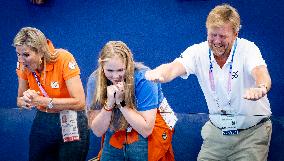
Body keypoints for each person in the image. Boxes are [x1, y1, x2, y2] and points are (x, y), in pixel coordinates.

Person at [145, 4, 272, 161]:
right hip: (217, 133)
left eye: (223, 36)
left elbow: (260, 72)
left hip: (251, 133)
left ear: (235, 34)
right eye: (213, 35)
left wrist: (261, 87)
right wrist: (160, 74)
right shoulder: (198, 52)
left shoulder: (248, 49)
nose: (217, 41)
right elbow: (173, 67)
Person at [87, 41, 177, 161]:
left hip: (147, 129)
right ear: (101, 66)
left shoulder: (144, 78)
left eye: (120, 70)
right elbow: (98, 131)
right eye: (109, 71)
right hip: (117, 129)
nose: (115, 76)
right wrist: (109, 104)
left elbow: (146, 130)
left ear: (128, 65)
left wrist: (121, 103)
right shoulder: (95, 80)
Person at [14, 27, 89, 161]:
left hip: (71, 117)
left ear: (41, 52)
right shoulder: (23, 65)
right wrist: (26, 100)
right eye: (18, 54)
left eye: (26, 55)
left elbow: (80, 102)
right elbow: (19, 99)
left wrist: (43, 101)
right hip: (44, 118)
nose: (21, 60)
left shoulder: (64, 58)